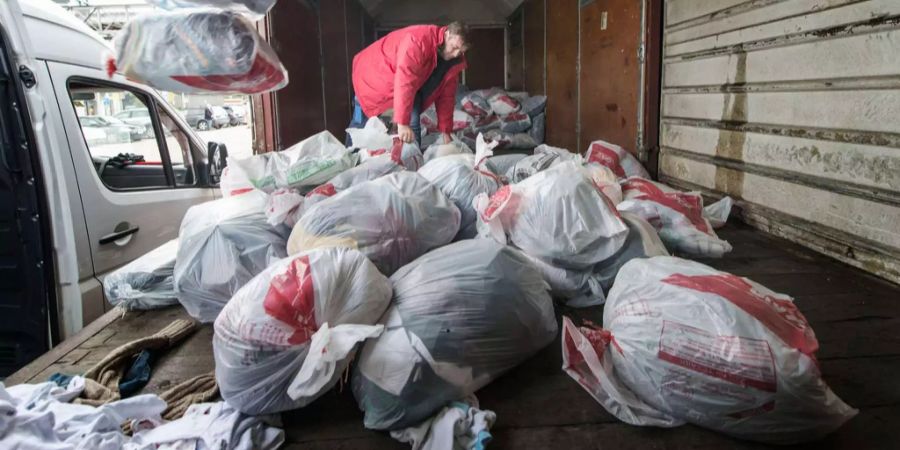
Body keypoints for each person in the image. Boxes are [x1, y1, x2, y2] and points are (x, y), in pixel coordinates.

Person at [348, 22, 469, 147]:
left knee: (413, 124)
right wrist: (402, 123)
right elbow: (405, 80)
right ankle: (350, 158)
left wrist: (446, 131)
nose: (456, 54)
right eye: (454, 48)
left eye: (461, 51)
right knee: (359, 127)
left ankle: (414, 162)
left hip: (406, 86)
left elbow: (446, 98)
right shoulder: (418, 41)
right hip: (372, 76)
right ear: (447, 34)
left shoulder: (453, 62)